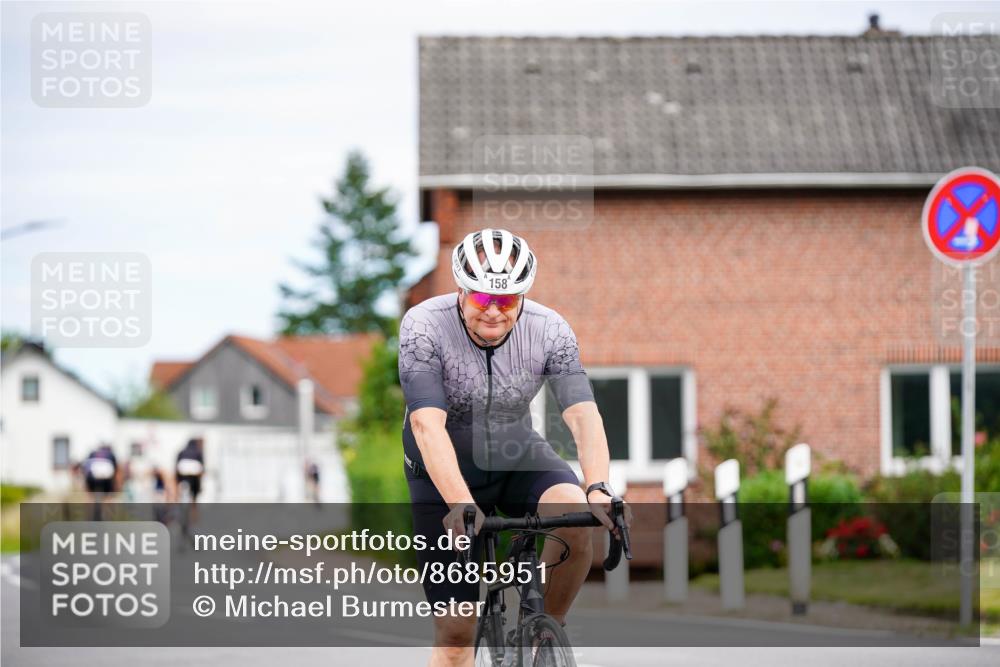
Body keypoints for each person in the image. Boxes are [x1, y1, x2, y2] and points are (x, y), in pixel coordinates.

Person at [399, 228, 630, 666]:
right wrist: (460, 502)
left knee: (573, 512)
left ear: (522, 296)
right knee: (456, 634)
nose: (493, 311)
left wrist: (598, 485)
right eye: (482, 298)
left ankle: (545, 637)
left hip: (515, 455)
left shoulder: (550, 329)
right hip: (441, 474)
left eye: (506, 301)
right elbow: (427, 424)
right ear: (461, 290)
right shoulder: (424, 325)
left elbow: (583, 414)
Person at [82, 443, 120, 520]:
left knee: (90, 497)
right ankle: (108, 517)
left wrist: (86, 487)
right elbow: (116, 471)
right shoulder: (110, 454)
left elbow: (85, 468)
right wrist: (115, 486)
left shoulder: (93, 453)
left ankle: (88, 516)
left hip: (91, 477)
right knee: (108, 498)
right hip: (106, 477)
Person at [174, 437, 205, 522]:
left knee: (182, 494)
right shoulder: (198, 452)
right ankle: (194, 515)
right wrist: (200, 486)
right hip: (194, 478)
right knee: (194, 497)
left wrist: (177, 481)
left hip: (183, 477)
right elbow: (202, 469)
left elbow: (176, 468)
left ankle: (181, 512)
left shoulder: (182, 452)